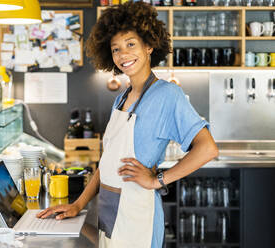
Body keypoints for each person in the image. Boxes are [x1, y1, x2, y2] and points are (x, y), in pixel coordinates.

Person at [37, 2, 218, 247]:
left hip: (138, 216)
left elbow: (207, 149)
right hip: (109, 214)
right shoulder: (122, 97)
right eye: (116, 49)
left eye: (130, 44)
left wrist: (158, 180)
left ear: (149, 45)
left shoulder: (167, 95)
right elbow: (108, 162)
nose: (123, 55)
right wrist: (78, 205)